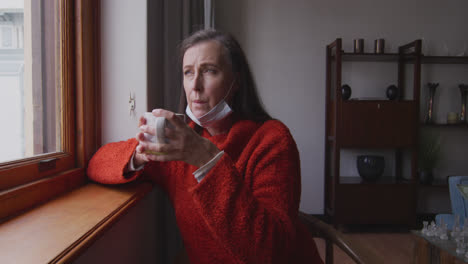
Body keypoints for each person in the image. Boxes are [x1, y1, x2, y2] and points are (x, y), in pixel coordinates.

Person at [87, 29, 323, 264]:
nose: (195, 86)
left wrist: (207, 160)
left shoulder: (272, 139)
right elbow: (97, 163)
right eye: (188, 73)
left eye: (210, 71)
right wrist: (140, 155)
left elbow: (269, 253)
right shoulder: (179, 142)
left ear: (237, 81)